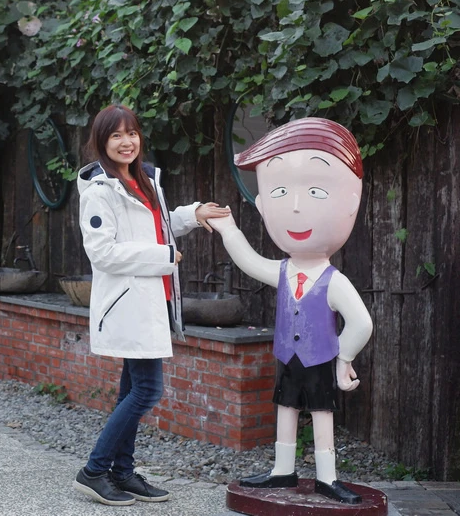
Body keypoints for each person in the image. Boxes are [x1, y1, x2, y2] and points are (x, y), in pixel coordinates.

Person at [207, 117, 373, 504]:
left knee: (321, 414)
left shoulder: (333, 280)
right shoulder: (282, 271)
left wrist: (343, 358)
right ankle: (283, 470)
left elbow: (361, 322)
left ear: (351, 200)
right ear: (262, 204)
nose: (295, 208)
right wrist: (229, 228)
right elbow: (249, 260)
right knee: (285, 407)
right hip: (287, 356)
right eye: (279, 191)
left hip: (319, 359)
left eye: (316, 191)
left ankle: (327, 478)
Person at [73, 104, 230, 506]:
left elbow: (157, 225)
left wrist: (193, 214)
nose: (127, 142)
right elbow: (103, 253)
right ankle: (94, 471)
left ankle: (121, 474)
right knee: (146, 391)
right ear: (101, 143)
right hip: (129, 304)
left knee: (133, 388)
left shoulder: (144, 180)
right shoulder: (98, 191)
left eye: (132, 133)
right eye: (116, 136)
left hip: (153, 300)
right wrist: (162, 256)